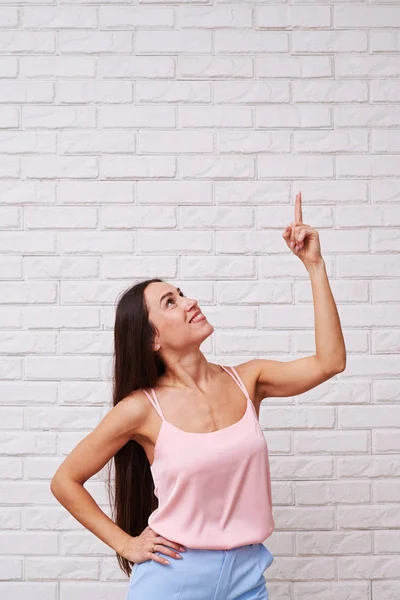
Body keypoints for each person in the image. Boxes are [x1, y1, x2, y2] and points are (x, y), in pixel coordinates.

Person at [50, 192, 346, 599]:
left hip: (246, 577)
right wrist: (125, 543)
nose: (190, 303)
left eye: (182, 293)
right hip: (173, 580)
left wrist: (314, 266)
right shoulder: (140, 409)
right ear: (151, 338)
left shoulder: (250, 379)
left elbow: (330, 362)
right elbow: (65, 480)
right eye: (170, 302)